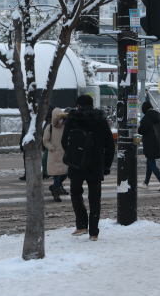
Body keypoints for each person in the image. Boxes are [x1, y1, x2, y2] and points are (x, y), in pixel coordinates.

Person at [61, 94, 115, 241]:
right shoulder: (100, 120)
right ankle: (94, 232)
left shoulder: (73, 119)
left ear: (78, 105)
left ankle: (81, 225)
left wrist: (73, 154)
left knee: (76, 193)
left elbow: (64, 140)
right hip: (96, 164)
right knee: (95, 198)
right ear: (92, 105)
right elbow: (110, 145)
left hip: (76, 163)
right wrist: (106, 165)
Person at [138, 101, 160, 191]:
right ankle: (146, 183)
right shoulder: (158, 117)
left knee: (151, 163)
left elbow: (141, 130)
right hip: (157, 143)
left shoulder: (146, 118)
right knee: (149, 163)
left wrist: (138, 127)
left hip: (149, 144)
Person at [43, 107, 69, 202]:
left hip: (64, 154)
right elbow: (45, 141)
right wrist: (52, 148)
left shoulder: (65, 126)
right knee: (58, 175)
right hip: (54, 155)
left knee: (65, 174)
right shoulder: (50, 127)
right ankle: (56, 192)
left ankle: (55, 187)